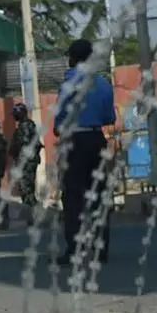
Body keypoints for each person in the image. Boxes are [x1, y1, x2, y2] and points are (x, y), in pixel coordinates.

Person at [54, 38, 117, 266]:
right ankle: (101, 250)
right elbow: (110, 117)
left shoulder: (68, 84)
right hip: (96, 140)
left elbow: (59, 121)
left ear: (72, 58)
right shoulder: (103, 84)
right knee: (99, 195)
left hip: (74, 142)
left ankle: (74, 250)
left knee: (73, 198)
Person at [9, 102, 40, 207]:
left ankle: (32, 215)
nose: (14, 117)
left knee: (26, 190)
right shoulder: (29, 125)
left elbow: (23, 144)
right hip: (28, 162)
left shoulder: (25, 126)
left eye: (15, 114)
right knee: (28, 189)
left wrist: (13, 150)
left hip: (26, 163)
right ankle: (32, 214)